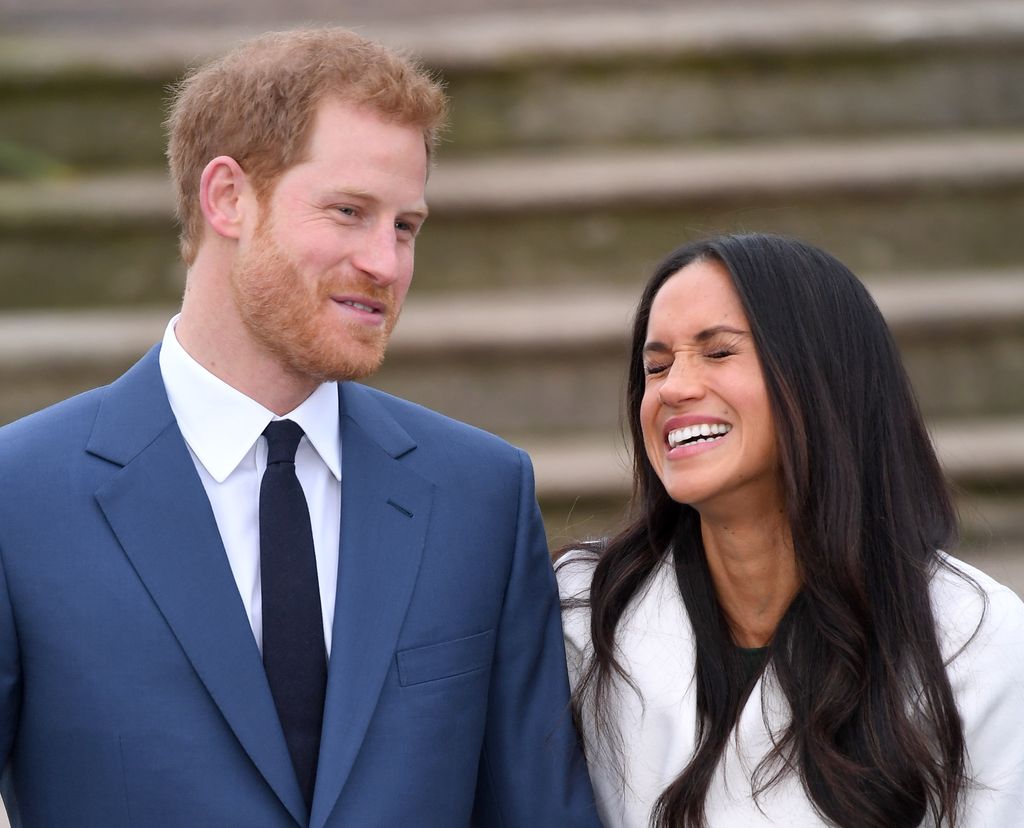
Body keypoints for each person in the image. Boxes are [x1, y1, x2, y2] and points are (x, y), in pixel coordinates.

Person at [0, 28, 598, 827]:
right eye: (349, 212)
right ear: (227, 198)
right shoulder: (19, 496)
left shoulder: (480, 495)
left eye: (405, 226)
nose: (386, 263)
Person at [557, 233, 1024, 827]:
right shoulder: (587, 611)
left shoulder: (973, 638)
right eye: (656, 366)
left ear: (822, 377)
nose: (672, 388)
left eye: (718, 352)